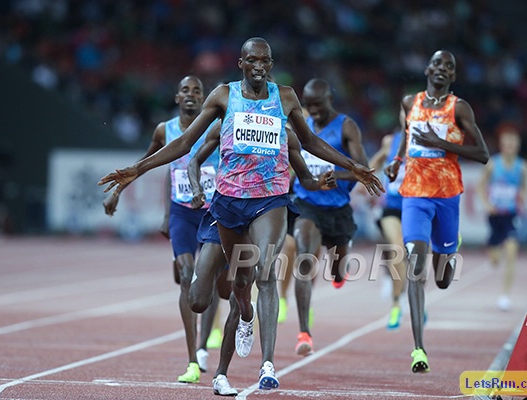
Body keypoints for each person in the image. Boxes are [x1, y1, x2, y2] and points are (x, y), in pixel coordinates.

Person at [98, 37, 383, 390]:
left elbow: (309, 142)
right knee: (200, 299)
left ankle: (267, 365)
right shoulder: (222, 95)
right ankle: (244, 312)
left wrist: (354, 166)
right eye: (253, 61)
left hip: (271, 200)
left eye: (266, 61)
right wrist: (136, 169)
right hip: (228, 202)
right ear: (241, 64)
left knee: (265, 274)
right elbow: (186, 144)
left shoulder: (286, 96)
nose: (260, 67)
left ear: (271, 64)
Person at [187, 121, 338, 395]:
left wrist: (318, 183)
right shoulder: (224, 123)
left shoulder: (281, 130)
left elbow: (303, 172)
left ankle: (240, 370)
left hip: (261, 209)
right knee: (198, 300)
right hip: (222, 212)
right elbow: (192, 159)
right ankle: (248, 313)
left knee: (252, 280)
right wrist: (197, 189)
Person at [102, 75, 221, 384]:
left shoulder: (218, 126)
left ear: (205, 98)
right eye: (186, 90)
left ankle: (206, 344)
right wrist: (118, 192)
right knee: (186, 276)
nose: (192, 95)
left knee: (210, 283)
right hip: (183, 212)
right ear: (177, 97)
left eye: (197, 91)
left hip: (214, 213)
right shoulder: (163, 130)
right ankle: (193, 360)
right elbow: (150, 163)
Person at [385, 50, 489, 373]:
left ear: (453, 77)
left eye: (450, 67)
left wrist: (442, 144)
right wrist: (398, 161)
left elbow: (483, 154)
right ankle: (418, 349)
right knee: (416, 268)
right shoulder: (409, 103)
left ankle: (448, 242)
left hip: (446, 196)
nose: (443, 69)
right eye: (438, 64)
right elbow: (406, 133)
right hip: (414, 194)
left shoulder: (458, 108)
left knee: (442, 280)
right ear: (428, 69)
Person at [290, 78, 369, 357]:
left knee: (336, 270)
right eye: (308, 106)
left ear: (329, 100)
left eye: (318, 105)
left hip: (337, 210)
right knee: (304, 260)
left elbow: (363, 169)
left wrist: (338, 176)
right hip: (307, 204)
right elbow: (292, 164)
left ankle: (339, 273)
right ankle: (304, 333)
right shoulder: (300, 126)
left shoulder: (346, 126)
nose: (313, 111)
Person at [476, 123, 527, 312]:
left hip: (510, 216)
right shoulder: (492, 165)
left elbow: (524, 188)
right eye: (506, 143)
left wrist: (522, 197)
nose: (510, 146)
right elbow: (480, 187)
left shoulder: (523, 168)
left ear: (517, 145)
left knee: (512, 252)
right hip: (494, 216)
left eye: (513, 143)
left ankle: (505, 295)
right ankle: (491, 247)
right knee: (496, 259)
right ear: (501, 145)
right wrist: (488, 205)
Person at [369, 129, 407, 330]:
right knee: (395, 246)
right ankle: (396, 301)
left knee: (413, 256)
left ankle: (411, 293)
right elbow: (376, 161)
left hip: (415, 205)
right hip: (390, 205)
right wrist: (368, 177)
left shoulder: (426, 139)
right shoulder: (390, 140)